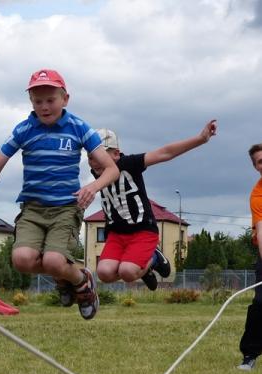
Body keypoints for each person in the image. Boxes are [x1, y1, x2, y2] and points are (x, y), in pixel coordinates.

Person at [0, 69, 119, 320]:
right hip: (33, 209)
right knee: (22, 260)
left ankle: (81, 282)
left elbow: (111, 170)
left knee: (54, 261)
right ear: (31, 102)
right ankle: (65, 278)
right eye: (38, 101)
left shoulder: (78, 128)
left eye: (51, 100)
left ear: (65, 99)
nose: (44, 107)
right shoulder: (25, 130)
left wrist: (92, 187)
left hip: (66, 208)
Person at [88, 121, 217, 290]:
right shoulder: (96, 171)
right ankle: (145, 268)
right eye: (91, 157)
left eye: (101, 155)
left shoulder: (129, 164)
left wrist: (200, 139)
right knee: (104, 273)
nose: (96, 162)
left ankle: (154, 258)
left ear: (116, 154)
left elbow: (165, 153)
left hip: (142, 230)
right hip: (116, 234)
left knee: (127, 272)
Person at [237, 143, 262, 371]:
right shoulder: (257, 195)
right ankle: (250, 355)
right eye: (260, 162)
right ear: (256, 167)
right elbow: (261, 230)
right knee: (260, 304)